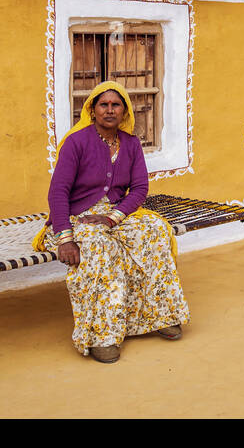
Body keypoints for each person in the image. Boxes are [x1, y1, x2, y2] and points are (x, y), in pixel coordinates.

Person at [38, 80, 190, 363]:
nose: (109, 110)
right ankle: (102, 335)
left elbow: (141, 188)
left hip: (113, 215)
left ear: (124, 111)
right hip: (76, 218)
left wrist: (112, 218)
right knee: (99, 248)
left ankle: (160, 315)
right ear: (92, 110)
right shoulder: (76, 142)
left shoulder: (131, 144)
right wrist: (66, 238)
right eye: (103, 105)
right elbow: (58, 191)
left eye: (115, 105)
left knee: (156, 232)